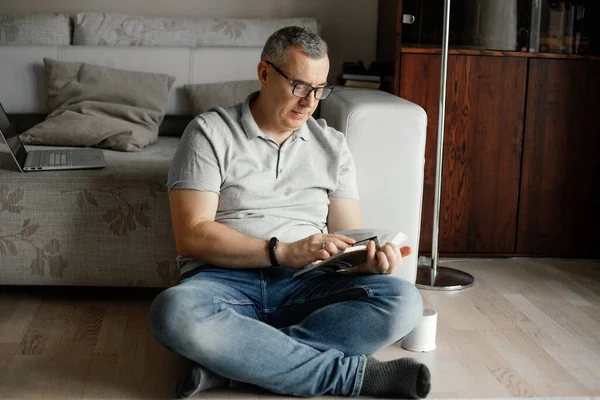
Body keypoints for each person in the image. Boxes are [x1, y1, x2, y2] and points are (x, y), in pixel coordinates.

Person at [148, 26, 431, 399]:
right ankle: (351, 377)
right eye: (299, 86)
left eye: (319, 89)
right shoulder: (209, 133)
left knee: (404, 301)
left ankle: (234, 366)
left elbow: (349, 236)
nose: (309, 101)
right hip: (224, 284)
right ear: (265, 73)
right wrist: (281, 251)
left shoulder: (331, 145)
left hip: (310, 284)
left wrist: (365, 262)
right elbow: (192, 234)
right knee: (173, 312)